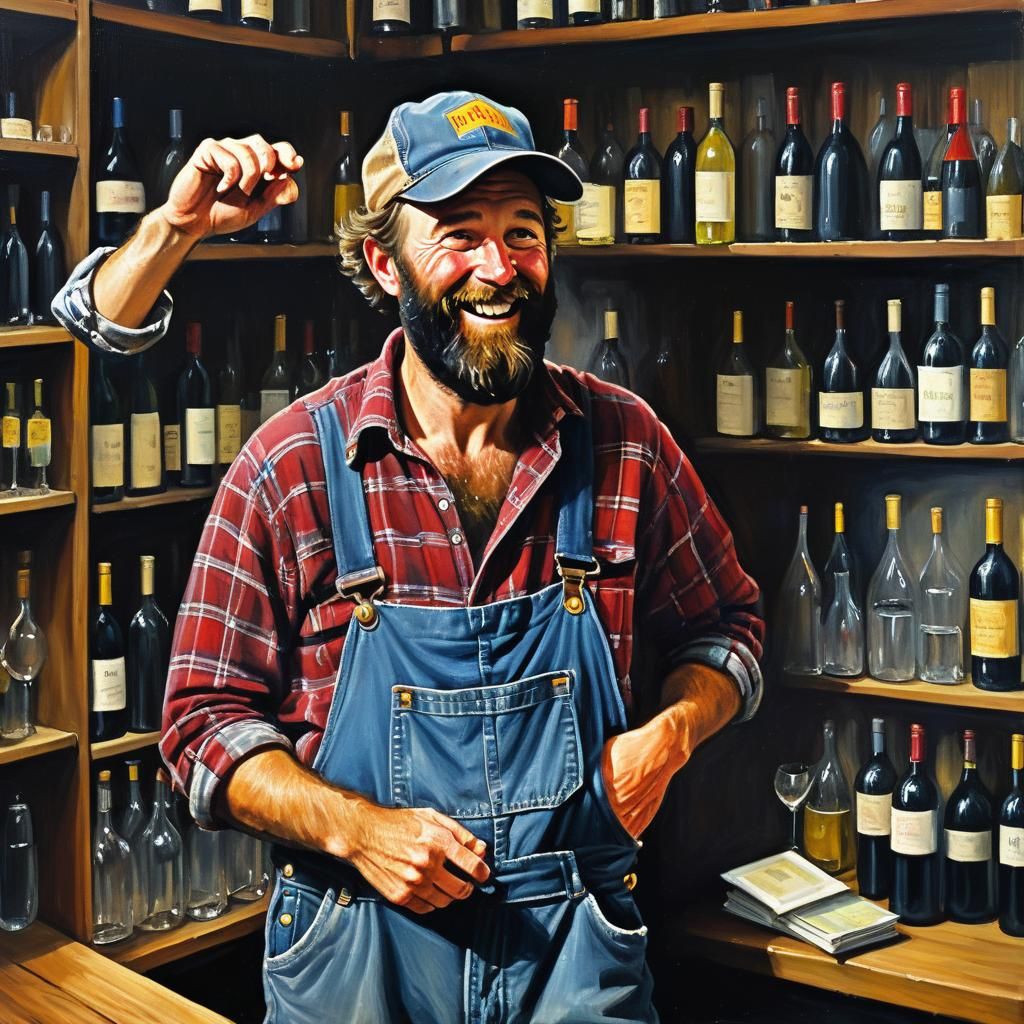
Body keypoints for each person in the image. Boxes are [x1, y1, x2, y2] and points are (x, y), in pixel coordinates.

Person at [53, 90, 764, 1024]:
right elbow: (200, 730)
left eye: (522, 232)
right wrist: (357, 830)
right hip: (357, 956)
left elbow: (731, 631)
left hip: (574, 955)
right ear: (386, 262)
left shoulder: (623, 441)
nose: (498, 267)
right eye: (459, 234)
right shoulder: (293, 464)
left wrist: (667, 738)